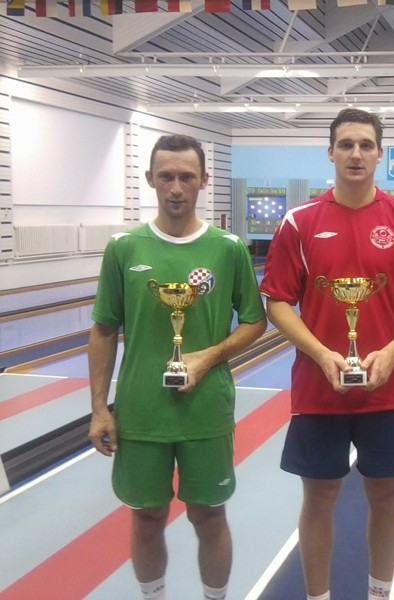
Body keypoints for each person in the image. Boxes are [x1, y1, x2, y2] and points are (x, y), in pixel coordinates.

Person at [260, 108, 394, 600]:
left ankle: (379, 594)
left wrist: (393, 351)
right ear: (331, 153)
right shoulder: (299, 222)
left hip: (389, 386)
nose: (356, 154)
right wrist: (322, 354)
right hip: (319, 388)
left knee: (385, 494)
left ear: (380, 154)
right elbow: (277, 301)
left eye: (365, 145)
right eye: (346, 144)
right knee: (319, 496)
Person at [87, 134, 267, 600]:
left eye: (187, 177)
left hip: (205, 411)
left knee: (208, 515)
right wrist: (99, 408)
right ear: (150, 179)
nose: (176, 187)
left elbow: (255, 322)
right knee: (147, 517)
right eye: (166, 176)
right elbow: (103, 329)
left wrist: (208, 356)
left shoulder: (228, 248)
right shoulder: (124, 248)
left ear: (204, 181)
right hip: (141, 412)